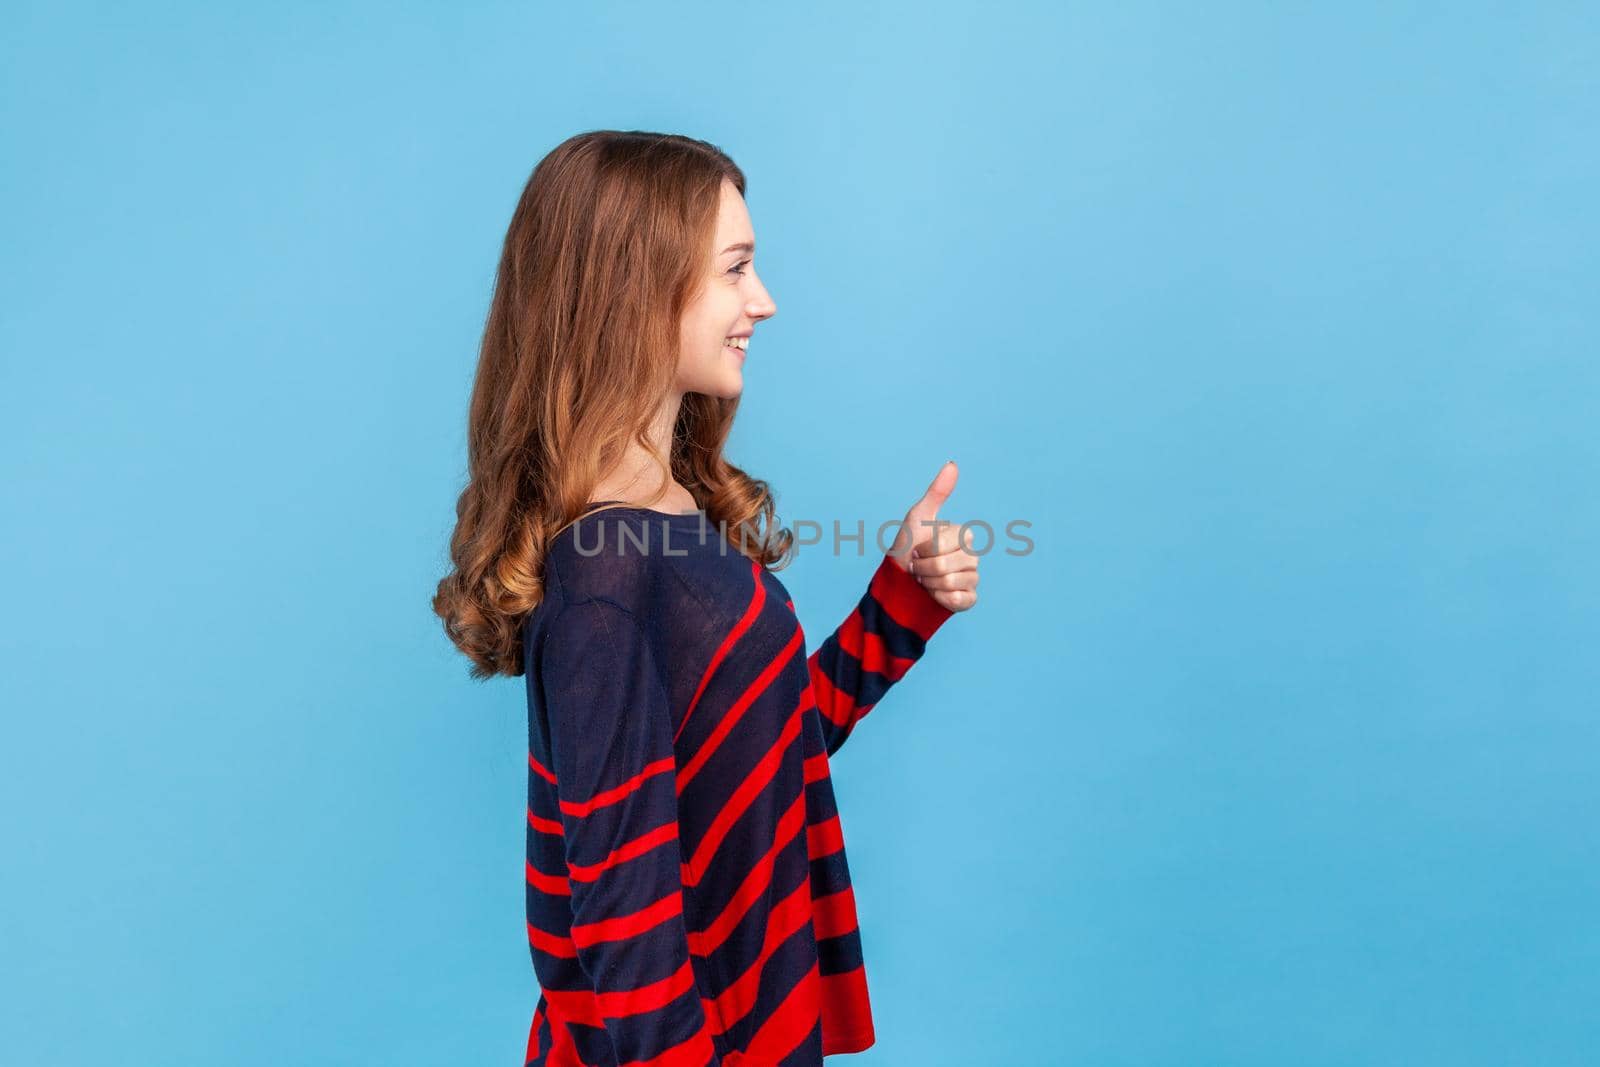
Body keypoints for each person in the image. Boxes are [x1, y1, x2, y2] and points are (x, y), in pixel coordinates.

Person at [434, 130, 980, 1066]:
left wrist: (901, 602)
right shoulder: (606, 575)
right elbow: (621, 918)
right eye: (736, 269)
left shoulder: (670, 511)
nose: (762, 302)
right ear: (634, 287)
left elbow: (765, 745)